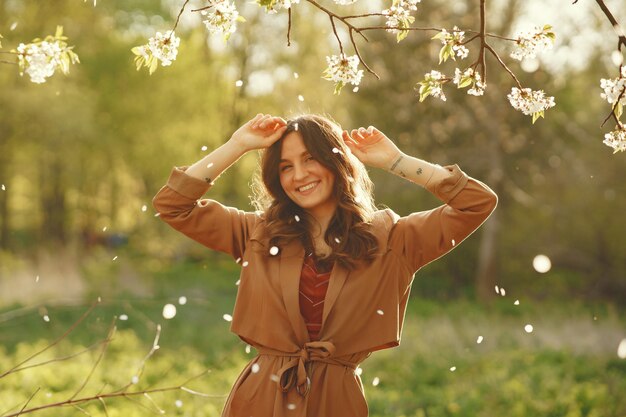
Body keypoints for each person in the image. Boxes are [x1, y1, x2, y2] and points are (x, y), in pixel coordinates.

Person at [152, 113, 497, 417]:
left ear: (336, 162)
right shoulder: (256, 233)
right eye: (286, 166)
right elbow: (172, 204)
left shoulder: (394, 240)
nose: (299, 175)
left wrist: (397, 161)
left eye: (310, 159)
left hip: (337, 401)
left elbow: (476, 203)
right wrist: (238, 145)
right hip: (259, 399)